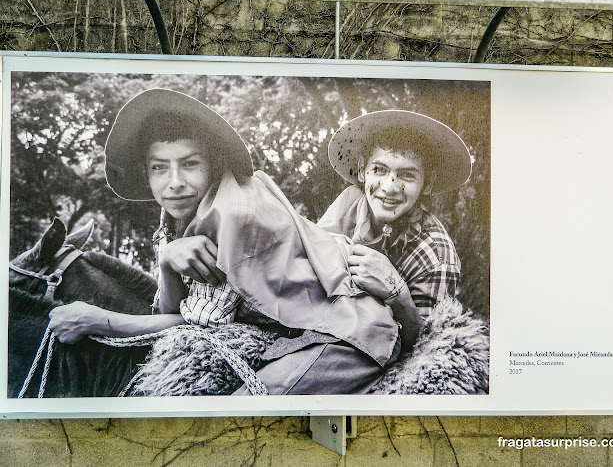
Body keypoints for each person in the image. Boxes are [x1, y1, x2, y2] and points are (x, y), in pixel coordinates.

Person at [49, 89, 402, 395]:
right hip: (300, 333)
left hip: (348, 334)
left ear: (213, 165)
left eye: (189, 164)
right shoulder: (179, 212)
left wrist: (95, 319)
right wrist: (166, 260)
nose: (174, 182)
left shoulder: (234, 214)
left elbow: (194, 327)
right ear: (146, 173)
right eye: (160, 168)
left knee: (237, 417)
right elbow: (172, 312)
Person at [317, 110, 472, 333]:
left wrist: (396, 292)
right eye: (379, 170)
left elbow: (429, 346)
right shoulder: (350, 203)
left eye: (407, 175)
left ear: (427, 184)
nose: (389, 187)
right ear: (363, 171)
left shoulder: (437, 256)